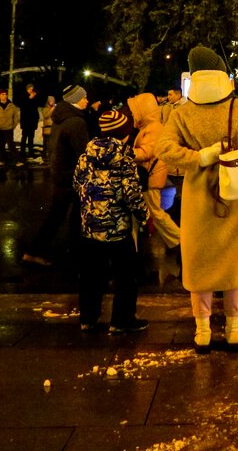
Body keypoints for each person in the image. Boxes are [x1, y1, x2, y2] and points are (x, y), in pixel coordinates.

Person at [154, 46, 238, 352]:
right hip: (236, 197)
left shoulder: (182, 113)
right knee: (235, 263)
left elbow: (163, 149)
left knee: (201, 264)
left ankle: (203, 331)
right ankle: (234, 330)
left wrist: (198, 158)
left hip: (198, 199)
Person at [71, 109, 149, 333]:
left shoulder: (86, 155)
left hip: (90, 227)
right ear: (123, 134)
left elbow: (77, 183)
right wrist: (144, 218)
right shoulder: (124, 157)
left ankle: (88, 318)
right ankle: (121, 320)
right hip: (118, 228)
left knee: (91, 275)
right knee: (125, 275)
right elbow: (132, 194)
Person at [23, 84, 91, 266]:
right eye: (84, 97)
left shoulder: (61, 118)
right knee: (76, 217)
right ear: (75, 100)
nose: (87, 100)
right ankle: (78, 257)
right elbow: (82, 153)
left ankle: (33, 251)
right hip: (72, 175)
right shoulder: (76, 122)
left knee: (58, 215)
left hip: (61, 173)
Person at [128, 91, 180, 286]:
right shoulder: (150, 126)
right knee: (152, 212)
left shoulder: (153, 128)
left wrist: (126, 152)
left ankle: (179, 239)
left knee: (155, 212)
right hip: (151, 176)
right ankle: (177, 240)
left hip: (150, 177)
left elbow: (147, 152)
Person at [0, 89, 21, 167]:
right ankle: (1, 160)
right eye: (2, 94)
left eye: (5, 94)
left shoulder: (12, 106)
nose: (4, 96)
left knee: (11, 145)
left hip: (8, 129)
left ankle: (16, 160)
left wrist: (12, 126)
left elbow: (16, 118)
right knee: (0, 145)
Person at [19, 83, 44, 162]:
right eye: (30, 89)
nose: (31, 90)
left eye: (32, 89)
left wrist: (34, 98)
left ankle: (31, 152)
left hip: (32, 122)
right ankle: (22, 153)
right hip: (26, 122)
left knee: (31, 138)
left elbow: (36, 107)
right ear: (27, 89)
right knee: (24, 137)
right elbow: (23, 108)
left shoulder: (34, 98)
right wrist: (29, 99)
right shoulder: (24, 97)